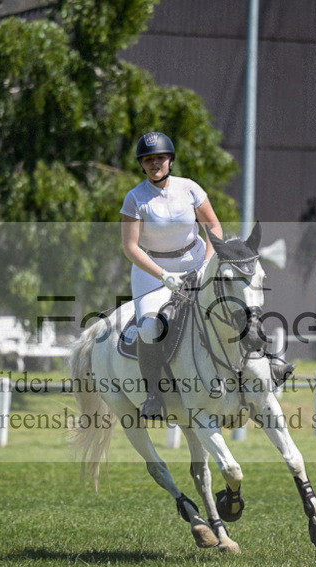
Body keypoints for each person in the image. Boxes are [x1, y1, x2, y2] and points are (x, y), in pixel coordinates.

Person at [120, 132, 222, 420]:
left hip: (195, 261)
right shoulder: (135, 198)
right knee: (150, 328)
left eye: (160, 158)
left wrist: (205, 263)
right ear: (142, 164)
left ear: (170, 160)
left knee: (223, 309)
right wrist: (163, 275)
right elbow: (130, 247)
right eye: (148, 160)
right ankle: (153, 393)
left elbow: (213, 227)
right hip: (151, 270)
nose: (155, 164)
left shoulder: (190, 189)